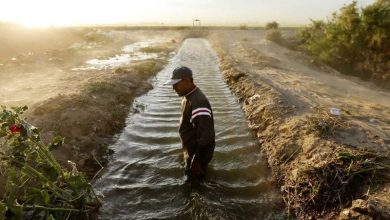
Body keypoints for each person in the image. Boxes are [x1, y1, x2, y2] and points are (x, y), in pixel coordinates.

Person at [164, 66, 215, 182]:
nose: (173, 88)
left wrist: (195, 162)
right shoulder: (188, 96)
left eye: (176, 84)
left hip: (197, 156)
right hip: (192, 153)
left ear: (187, 80)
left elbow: (206, 137)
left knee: (195, 187)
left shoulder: (198, 102)